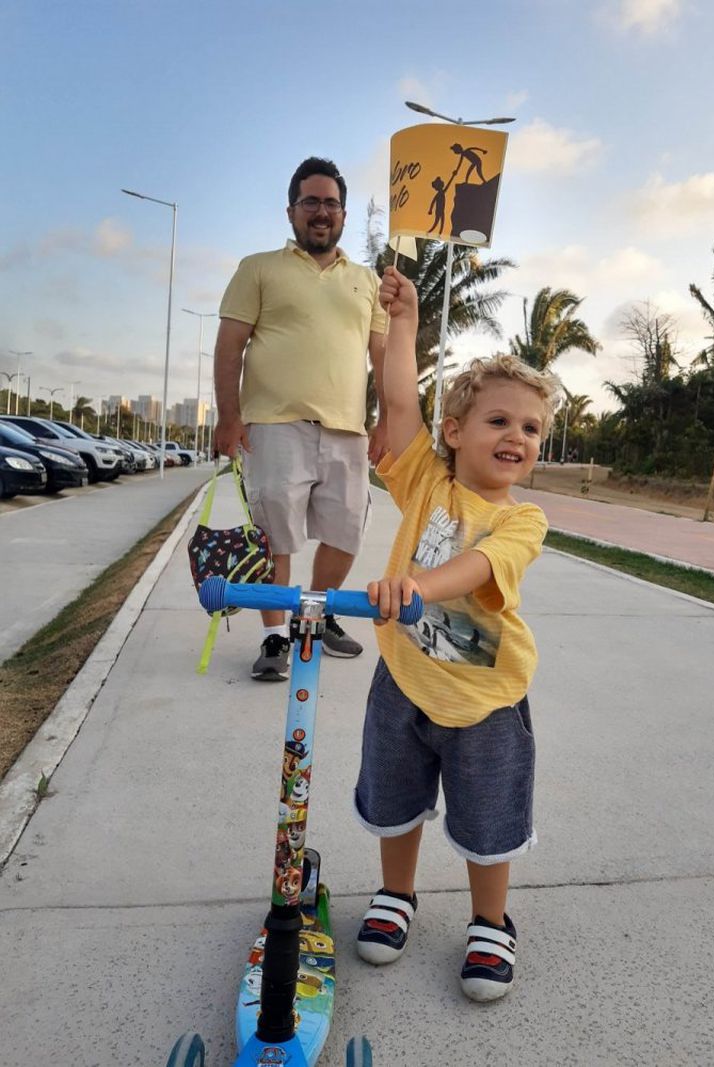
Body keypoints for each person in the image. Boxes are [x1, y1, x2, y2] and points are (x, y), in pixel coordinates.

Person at [353, 266, 560, 1002]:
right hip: (405, 679)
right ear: (455, 431)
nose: (517, 436)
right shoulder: (424, 480)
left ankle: (490, 920)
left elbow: (480, 567)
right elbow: (400, 399)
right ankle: (396, 895)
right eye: (499, 420)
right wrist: (404, 322)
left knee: (489, 817)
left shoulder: (522, 519)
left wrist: (415, 585)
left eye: (531, 427)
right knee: (394, 797)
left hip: (487, 697)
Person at [213, 157, 387, 681]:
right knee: (276, 537)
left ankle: (316, 615)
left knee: (346, 532)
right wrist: (229, 417)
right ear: (291, 211)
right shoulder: (258, 268)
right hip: (274, 425)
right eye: (310, 202)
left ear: (343, 214)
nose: (321, 212)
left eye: (330, 203)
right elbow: (229, 348)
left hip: (347, 431)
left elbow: (384, 357)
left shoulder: (368, 281)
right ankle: (273, 636)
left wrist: (387, 423)